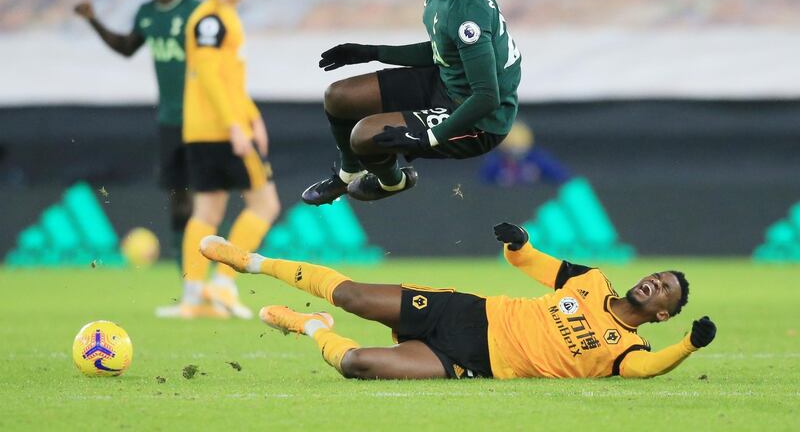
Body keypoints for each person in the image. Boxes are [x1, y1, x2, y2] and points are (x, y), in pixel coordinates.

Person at [198, 222, 716, 379]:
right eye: (656, 276)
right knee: (354, 295)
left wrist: (689, 345)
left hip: (471, 360)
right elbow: (534, 264)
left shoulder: (626, 350)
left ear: (663, 313)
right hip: (467, 312)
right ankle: (251, 262)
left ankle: (309, 326)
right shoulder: (591, 281)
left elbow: (648, 370)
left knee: (356, 363)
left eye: (664, 289)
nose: (653, 282)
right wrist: (519, 244)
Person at [302, 0, 522, 205]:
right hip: (448, 82)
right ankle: (348, 174)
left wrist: (428, 138)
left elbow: (487, 96)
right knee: (339, 96)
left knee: (363, 136)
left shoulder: (468, 11)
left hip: (478, 119)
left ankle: (393, 182)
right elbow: (443, 51)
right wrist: (372, 52)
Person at [156, 0, 281, 319]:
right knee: (264, 204)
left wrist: (253, 117)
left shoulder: (223, 17)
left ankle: (195, 297)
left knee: (207, 211)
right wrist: (234, 125)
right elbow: (209, 76)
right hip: (220, 131)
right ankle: (222, 283)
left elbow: (230, 81)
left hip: (207, 129)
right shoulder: (211, 19)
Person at [74, 0, 200, 263]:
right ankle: (184, 272)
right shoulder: (146, 14)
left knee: (207, 197)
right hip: (170, 120)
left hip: (203, 119)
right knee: (179, 198)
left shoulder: (196, 12)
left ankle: (215, 268)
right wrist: (94, 21)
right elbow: (128, 47)